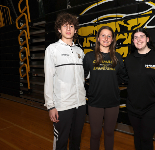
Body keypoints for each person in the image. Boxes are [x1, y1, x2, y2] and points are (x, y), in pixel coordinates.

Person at [124, 28, 155, 150]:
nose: (138, 39)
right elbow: (126, 80)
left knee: (146, 138)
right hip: (133, 108)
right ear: (133, 41)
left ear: (147, 39)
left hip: (153, 107)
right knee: (138, 137)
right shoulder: (129, 60)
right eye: (135, 37)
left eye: (141, 36)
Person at [44, 12, 86, 150]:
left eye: (71, 26)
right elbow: (48, 79)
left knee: (76, 141)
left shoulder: (80, 51)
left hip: (80, 104)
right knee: (61, 142)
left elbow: (85, 76)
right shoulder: (52, 49)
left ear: (75, 30)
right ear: (59, 29)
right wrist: (50, 106)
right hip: (62, 106)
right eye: (65, 26)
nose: (68, 29)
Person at [83, 26, 126, 150]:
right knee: (95, 134)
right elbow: (82, 77)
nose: (106, 38)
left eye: (109, 36)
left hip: (113, 102)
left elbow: (123, 78)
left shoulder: (117, 57)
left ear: (112, 40)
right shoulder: (89, 56)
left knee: (109, 133)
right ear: (98, 38)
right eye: (103, 35)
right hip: (95, 102)